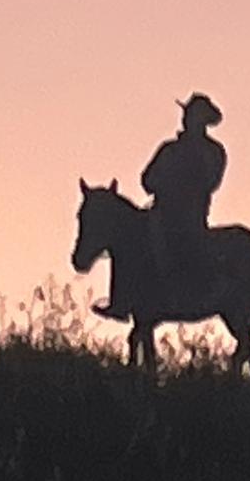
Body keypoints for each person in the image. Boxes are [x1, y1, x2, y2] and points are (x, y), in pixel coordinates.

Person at [93, 93, 227, 320]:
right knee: (127, 241)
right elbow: (147, 178)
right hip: (161, 211)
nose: (186, 119)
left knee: (177, 243)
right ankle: (121, 301)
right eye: (187, 114)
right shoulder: (169, 149)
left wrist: (180, 183)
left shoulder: (212, 152)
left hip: (190, 215)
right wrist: (160, 183)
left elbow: (210, 182)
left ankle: (178, 294)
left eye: (192, 115)